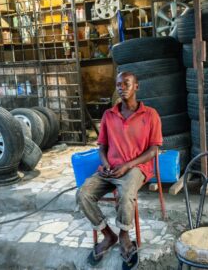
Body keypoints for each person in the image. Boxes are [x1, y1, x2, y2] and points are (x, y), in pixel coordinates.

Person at [77, 71, 162, 269]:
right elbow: (102, 146)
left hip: (136, 168)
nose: (121, 87)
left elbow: (154, 149)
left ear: (136, 87)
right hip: (110, 169)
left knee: (125, 194)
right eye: (118, 84)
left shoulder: (150, 115)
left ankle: (124, 236)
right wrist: (106, 163)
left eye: (126, 83)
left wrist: (128, 165)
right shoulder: (109, 114)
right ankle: (108, 235)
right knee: (83, 194)